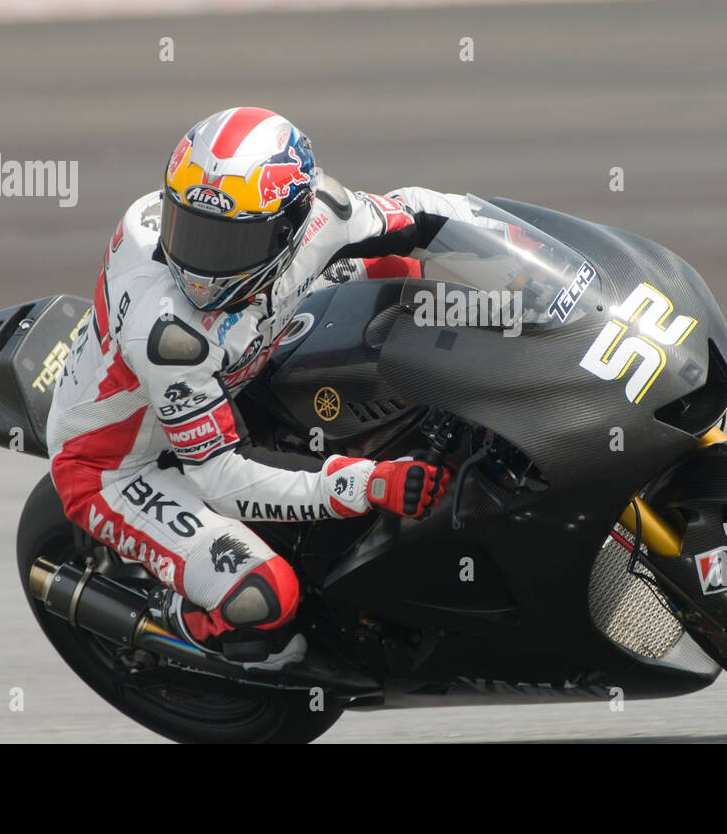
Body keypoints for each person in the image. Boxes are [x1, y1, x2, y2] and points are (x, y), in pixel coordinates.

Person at [46, 106, 463, 669]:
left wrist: (524, 257)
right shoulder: (168, 331)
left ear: (292, 224)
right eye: (188, 231)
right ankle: (178, 624)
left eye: (226, 244)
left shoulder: (325, 213)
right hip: (116, 465)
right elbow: (218, 478)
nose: (198, 266)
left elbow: (418, 212)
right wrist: (367, 485)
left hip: (237, 360)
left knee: (398, 269)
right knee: (266, 598)